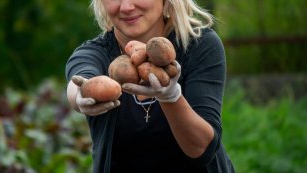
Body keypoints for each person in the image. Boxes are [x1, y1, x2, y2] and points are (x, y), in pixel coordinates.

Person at [65, 0, 235, 172]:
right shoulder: (94, 54)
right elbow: (79, 80)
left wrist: (171, 97)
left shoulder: (200, 46)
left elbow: (201, 150)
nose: (126, 7)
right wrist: (80, 96)